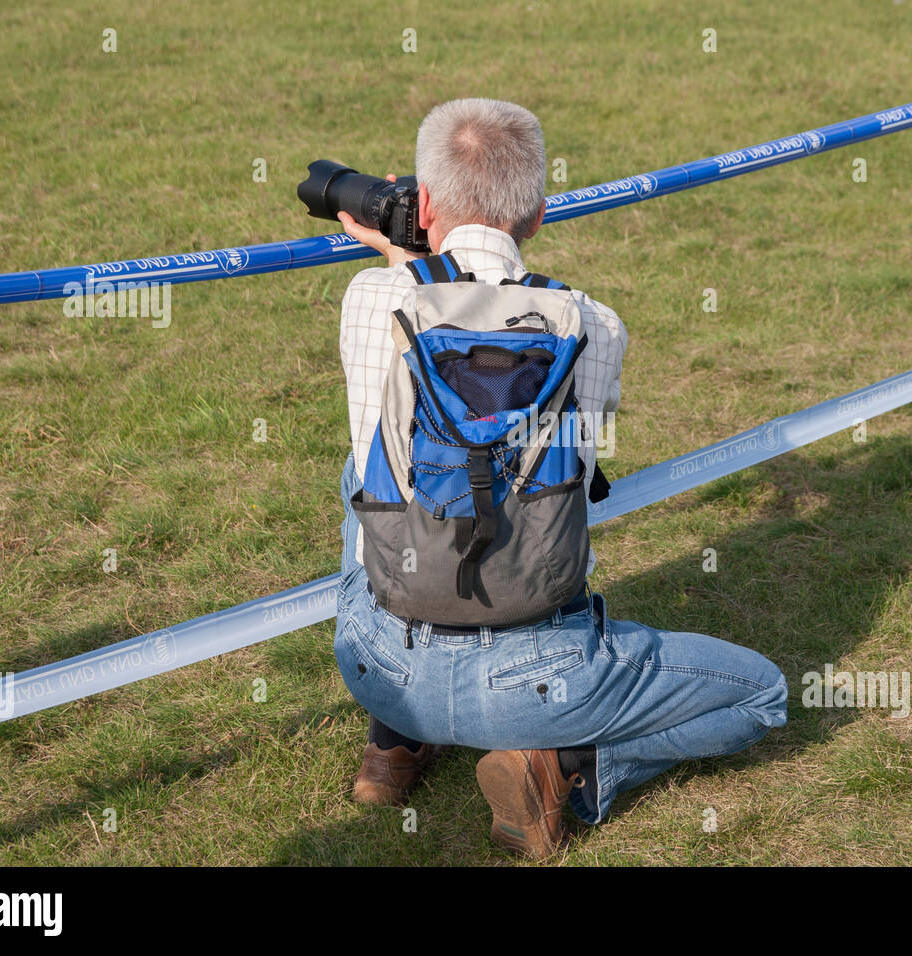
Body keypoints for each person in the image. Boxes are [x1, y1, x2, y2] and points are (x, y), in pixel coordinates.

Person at [334, 97, 787, 858]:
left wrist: (399, 260)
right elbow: (582, 453)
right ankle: (566, 766)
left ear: (426, 204)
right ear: (538, 214)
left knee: (369, 453)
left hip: (378, 660)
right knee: (764, 694)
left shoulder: (371, 301)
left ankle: (394, 741)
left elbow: (415, 332)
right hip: (538, 677)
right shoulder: (594, 325)